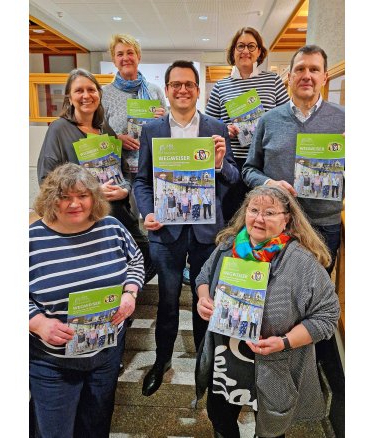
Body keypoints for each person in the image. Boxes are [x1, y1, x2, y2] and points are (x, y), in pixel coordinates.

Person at [195, 185, 339, 438]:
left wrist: (285, 342)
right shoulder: (229, 246)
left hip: (273, 364)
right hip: (226, 359)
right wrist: (203, 298)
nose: (259, 218)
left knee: (271, 431)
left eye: (270, 213)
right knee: (220, 419)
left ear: (287, 219)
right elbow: (203, 276)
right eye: (254, 210)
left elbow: (327, 316)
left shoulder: (302, 262)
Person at [132, 60, 239, 397]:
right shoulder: (151, 130)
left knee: (203, 301)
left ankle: (203, 366)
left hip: (207, 232)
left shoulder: (215, 127)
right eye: (175, 84)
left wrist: (220, 163)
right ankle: (162, 360)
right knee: (166, 302)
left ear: (197, 89)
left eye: (188, 84)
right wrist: (147, 213)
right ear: (166, 90)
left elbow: (234, 179)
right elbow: (141, 181)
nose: (182, 89)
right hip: (166, 232)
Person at [29, 163, 144, 438]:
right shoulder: (31, 239)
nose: (74, 204)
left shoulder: (111, 227)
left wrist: (130, 292)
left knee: (96, 427)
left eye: (82, 195)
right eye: (65, 197)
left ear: (94, 197)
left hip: (105, 353)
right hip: (52, 362)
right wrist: (37, 321)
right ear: (50, 199)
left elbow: (136, 260)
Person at [36, 68, 157, 286]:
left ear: (99, 94)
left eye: (91, 89)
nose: (86, 95)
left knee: (148, 255)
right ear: (69, 97)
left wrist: (125, 190)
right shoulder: (59, 129)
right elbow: (46, 179)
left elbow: (123, 172)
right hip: (83, 216)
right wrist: (90, 193)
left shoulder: (105, 130)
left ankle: (123, 296)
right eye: (79, 90)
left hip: (118, 212)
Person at [242, 44, 345, 271]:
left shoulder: (344, 120)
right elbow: (248, 170)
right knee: (272, 290)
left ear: (325, 77)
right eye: (300, 69)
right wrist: (270, 184)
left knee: (315, 293)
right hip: (275, 224)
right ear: (289, 77)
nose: (306, 76)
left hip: (323, 225)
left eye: (314, 69)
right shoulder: (269, 120)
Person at [204, 27, 290, 225]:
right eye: (240, 46)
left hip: (264, 164)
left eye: (252, 46)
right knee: (233, 218)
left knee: (264, 218)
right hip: (232, 164)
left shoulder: (273, 81)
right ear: (233, 51)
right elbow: (209, 125)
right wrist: (225, 128)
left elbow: (286, 117)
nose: (246, 51)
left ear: (259, 51)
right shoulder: (220, 86)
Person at [102, 34, 167, 181]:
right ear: (114, 60)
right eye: (120, 54)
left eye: (130, 52)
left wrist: (163, 120)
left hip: (151, 168)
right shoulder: (104, 94)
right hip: (118, 170)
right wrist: (116, 140)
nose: (125, 58)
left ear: (138, 57)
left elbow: (168, 129)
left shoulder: (154, 91)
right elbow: (96, 132)